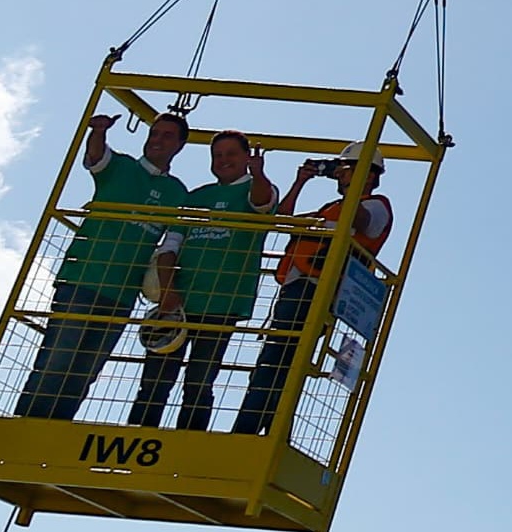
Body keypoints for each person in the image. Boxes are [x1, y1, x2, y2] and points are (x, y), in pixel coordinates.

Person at [16, 106, 188, 419]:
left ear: (180, 145)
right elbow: (96, 158)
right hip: (83, 280)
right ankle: (22, 427)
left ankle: (50, 433)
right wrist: (98, 131)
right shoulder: (121, 167)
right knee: (56, 360)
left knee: (85, 372)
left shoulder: (176, 192)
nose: (157, 140)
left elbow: (172, 244)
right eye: (154, 133)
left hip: (121, 294)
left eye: (167, 135)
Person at [233, 151, 391, 440]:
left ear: (368, 175)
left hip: (318, 290)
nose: (339, 174)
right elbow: (283, 220)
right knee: (276, 362)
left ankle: (248, 434)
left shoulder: (377, 206)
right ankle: (267, 433)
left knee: (279, 362)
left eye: (346, 169)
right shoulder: (331, 208)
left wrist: (353, 184)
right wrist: (301, 181)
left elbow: (365, 222)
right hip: (297, 288)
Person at [133, 126, 277, 430]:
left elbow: (263, 203)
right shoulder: (196, 197)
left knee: (199, 383)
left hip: (221, 305)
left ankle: (186, 446)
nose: (223, 160)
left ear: (246, 158)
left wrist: (258, 173)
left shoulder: (255, 189)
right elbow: (170, 247)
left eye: (231, 154)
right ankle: (138, 437)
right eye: (217, 155)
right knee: (155, 380)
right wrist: (169, 291)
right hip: (178, 304)